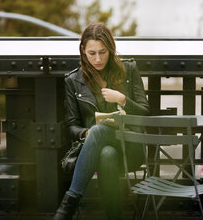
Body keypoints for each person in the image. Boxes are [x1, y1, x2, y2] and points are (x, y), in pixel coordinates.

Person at [53, 22, 150, 220]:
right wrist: (84, 133)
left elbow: (145, 113)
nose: (98, 59)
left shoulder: (129, 69)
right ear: (83, 51)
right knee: (106, 153)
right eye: (92, 53)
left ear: (111, 49)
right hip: (97, 149)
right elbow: (72, 125)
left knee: (99, 132)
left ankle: (67, 208)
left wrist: (122, 99)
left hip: (131, 146)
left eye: (103, 52)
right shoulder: (73, 80)